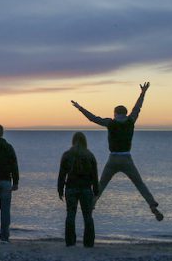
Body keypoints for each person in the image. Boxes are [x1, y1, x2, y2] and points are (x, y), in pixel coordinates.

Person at [70, 82, 164, 221]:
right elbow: (137, 108)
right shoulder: (131, 121)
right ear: (125, 113)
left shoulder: (111, 123)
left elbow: (93, 118)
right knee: (139, 184)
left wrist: (79, 108)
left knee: (101, 185)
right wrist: (143, 93)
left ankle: (91, 205)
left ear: (115, 113)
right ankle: (152, 205)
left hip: (113, 159)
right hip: (127, 159)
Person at [57, 131, 99, 247]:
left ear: (73, 141)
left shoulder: (67, 155)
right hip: (86, 188)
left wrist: (60, 189)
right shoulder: (90, 155)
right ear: (85, 141)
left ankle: (70, 242)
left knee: (70, 214)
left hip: (71, 188)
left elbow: (62, 174)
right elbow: (94, 175)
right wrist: (96, 191)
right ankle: (88, 243)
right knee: (88, 216)